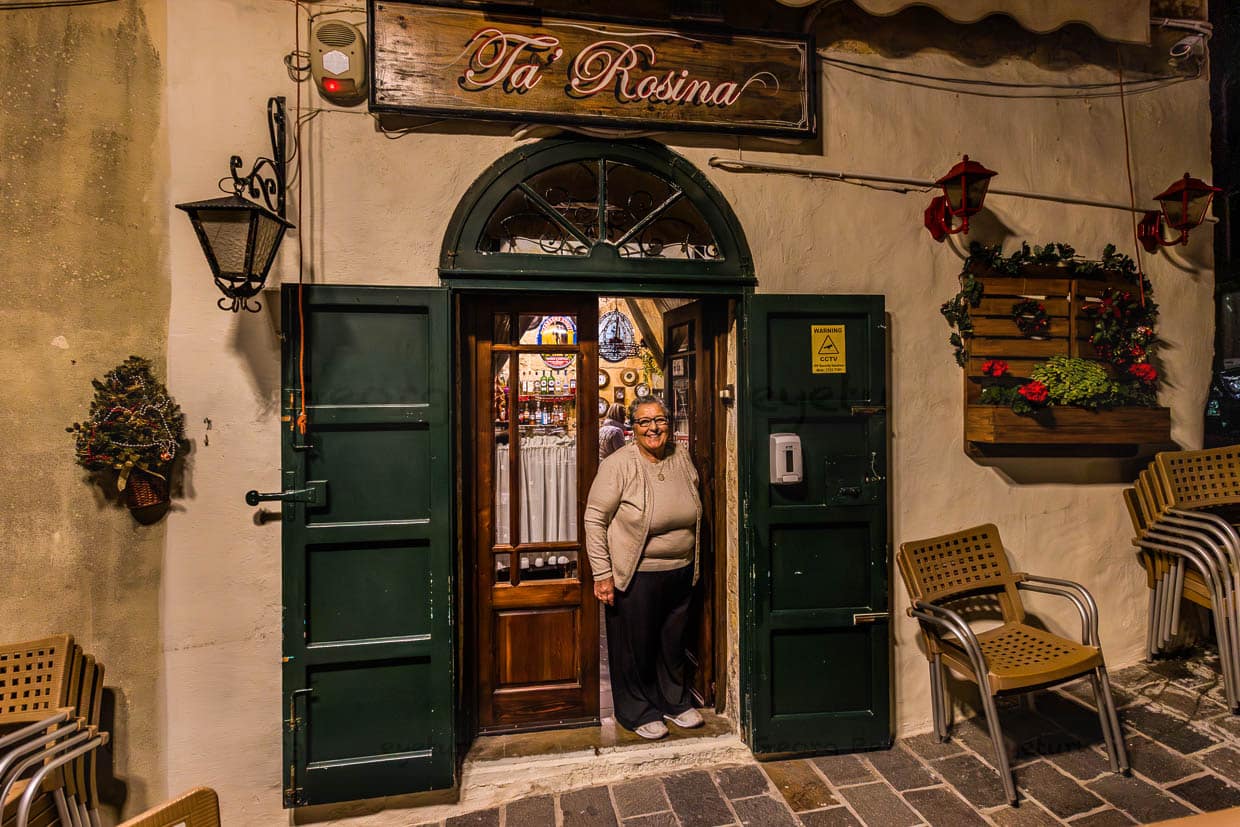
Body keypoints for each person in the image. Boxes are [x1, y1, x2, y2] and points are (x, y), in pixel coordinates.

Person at [584, 397, 703, 740]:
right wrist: (602, 573)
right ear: (632, 428)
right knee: (634, 646)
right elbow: (595, 519)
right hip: (636, 572)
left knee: (672, 643)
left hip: (681, 568)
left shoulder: (681, 456)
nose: (653, 428)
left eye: (660, 420)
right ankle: (636, 711)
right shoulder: (619, 463)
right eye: (644, 422)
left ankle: (675, 702)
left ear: (669, 423)